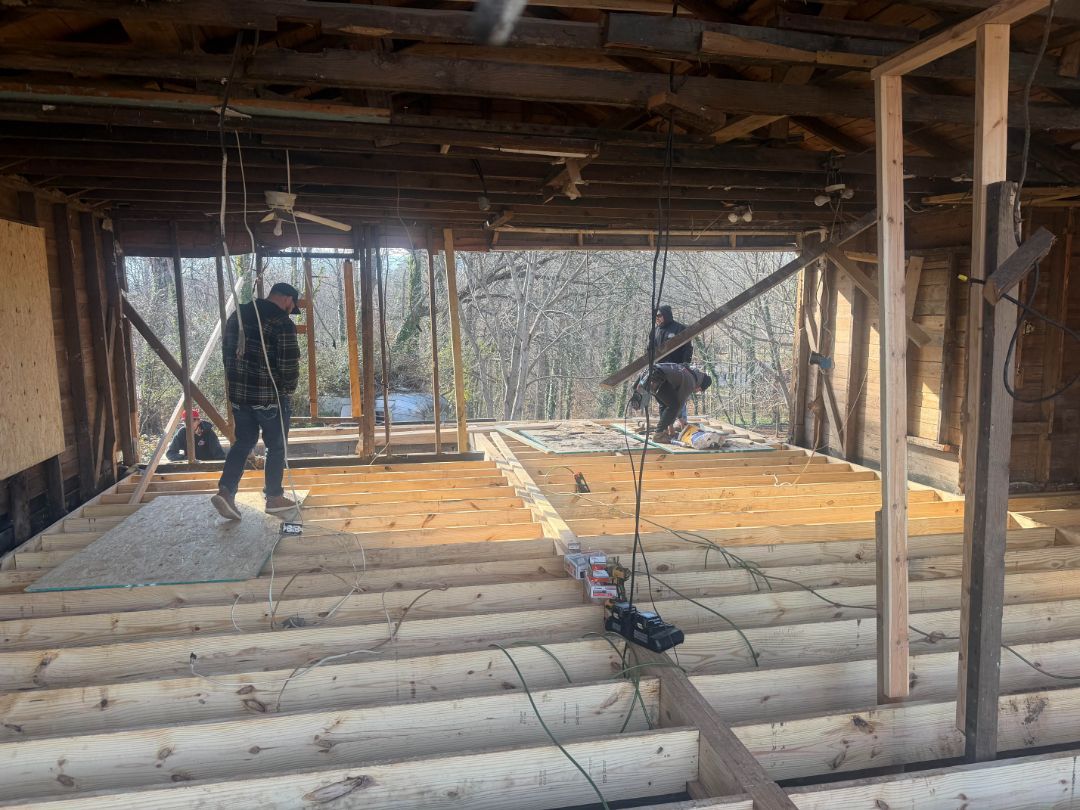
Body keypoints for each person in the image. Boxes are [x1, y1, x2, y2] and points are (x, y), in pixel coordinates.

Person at [211, 282, 301, 520]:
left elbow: (226, 354)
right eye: (292, 307)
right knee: (276, 446)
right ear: (288, 300)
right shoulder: (282, 323)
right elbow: (289, 365)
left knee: (243, 442)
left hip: (240, 398)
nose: (290, 311)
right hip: (269, 399)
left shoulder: (237, 317)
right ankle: (273, 498)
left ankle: (226, 491)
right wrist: (288, 391)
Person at [646, 364, 712, 442]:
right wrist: (681, 420)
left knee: (665, 404)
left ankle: (663, 432)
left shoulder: (688, 373)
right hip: (658, 379)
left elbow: (669, 405)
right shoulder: (691, 382)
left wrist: (671, 429)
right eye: (700, 390)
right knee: (674, 406)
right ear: (701, 385)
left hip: (651, 376)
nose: (698, 392)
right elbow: (679, 404)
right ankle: (658, 435)